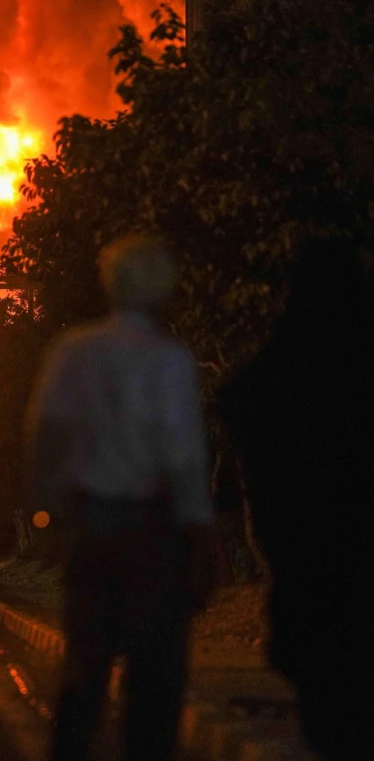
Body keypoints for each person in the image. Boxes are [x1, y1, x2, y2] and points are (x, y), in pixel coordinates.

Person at [27, 234, 215, 761]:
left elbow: (45, 435)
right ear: (164, 288)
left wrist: (45, 510)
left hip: (89, 525)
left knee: (84, 663)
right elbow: (183, 456)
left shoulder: (73, 352)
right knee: (155, 674)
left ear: (109, 284)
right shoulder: (170, 360)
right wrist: (199, 531)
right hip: (152, 529)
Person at [220, 238, 374, 761]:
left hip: (307, 574)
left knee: (329, 718)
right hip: (341, 566)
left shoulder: (281, 367)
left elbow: (238, 400)